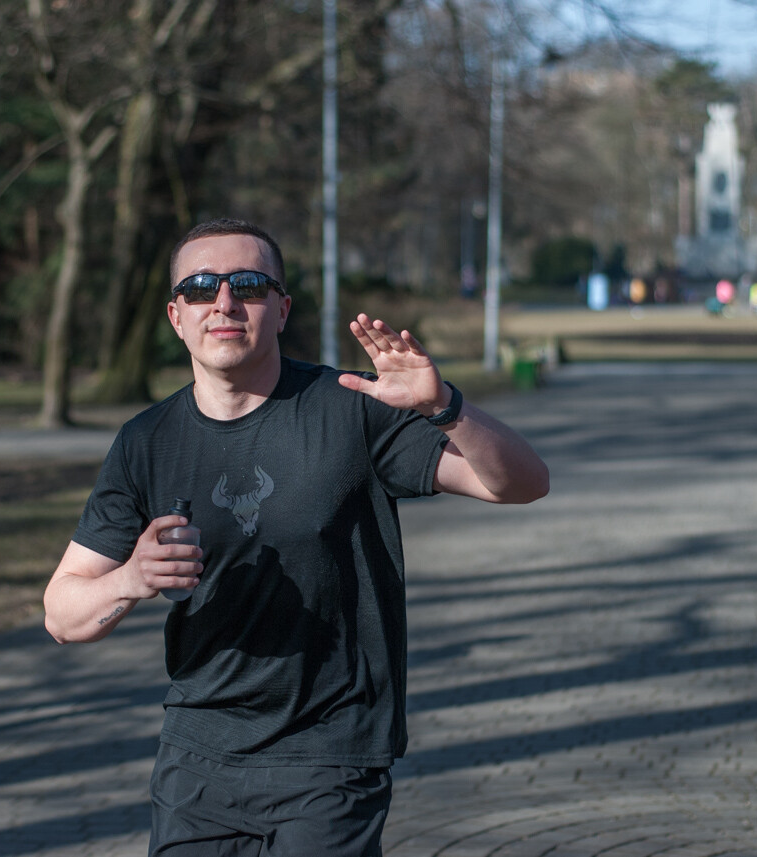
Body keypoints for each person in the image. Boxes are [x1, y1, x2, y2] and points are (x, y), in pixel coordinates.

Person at [44, 218, 549, 855]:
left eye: (248, 285)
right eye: (201, 288)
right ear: (177, 316)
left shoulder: (350, 408)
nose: (224, 303)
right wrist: (130, 579)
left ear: (281, 309)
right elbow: (62, 615)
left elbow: (522, 482)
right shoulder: (146, 442)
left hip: (331, 755)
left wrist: (443, 406)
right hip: (197, 761)